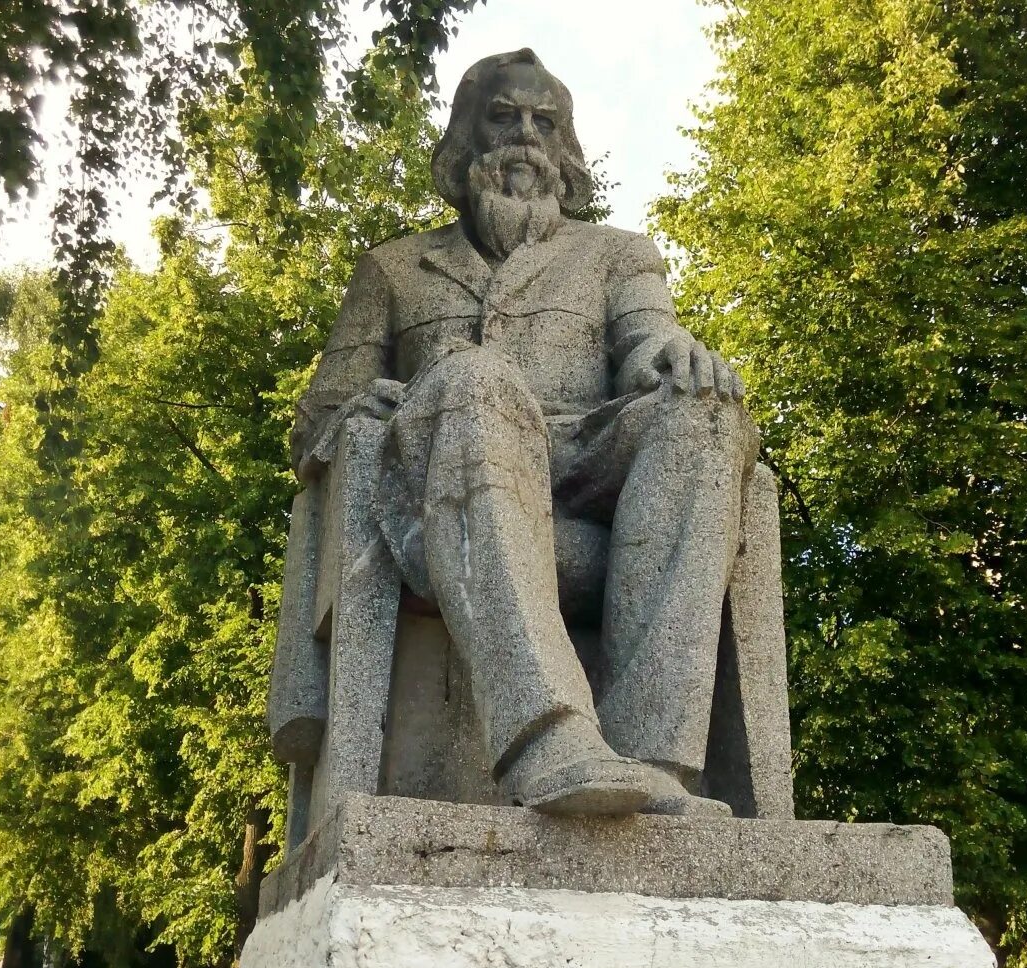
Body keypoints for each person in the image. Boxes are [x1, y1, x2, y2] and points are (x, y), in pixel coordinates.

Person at [291, 49, 759, 818]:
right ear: (466, 138)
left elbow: (647, 344)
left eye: (545, 122)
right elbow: (318, 417)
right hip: (448, 472)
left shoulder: (616, 253)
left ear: (566, 148)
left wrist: (676, 357)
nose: (525, 137)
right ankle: (550, 741)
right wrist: (364, 407)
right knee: (474, 378)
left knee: (705, 408)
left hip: (584, 463)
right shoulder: (393, 268)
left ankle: (650, 765)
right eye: (503, 116)